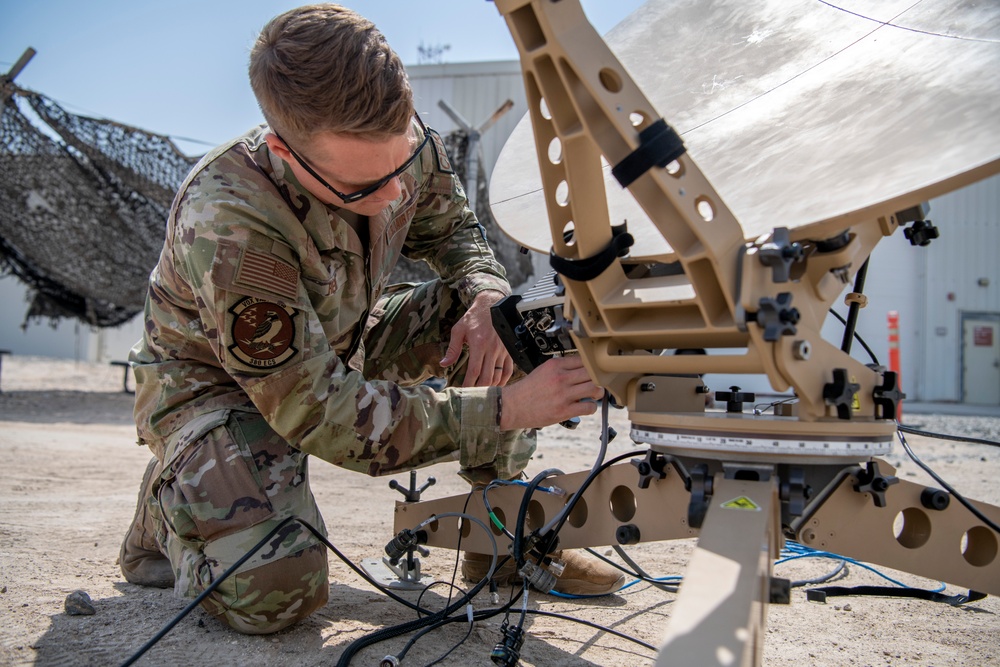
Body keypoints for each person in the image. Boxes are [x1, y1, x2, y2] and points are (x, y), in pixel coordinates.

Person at [119, 3, 625, 635]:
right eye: (362, 190)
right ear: (284, 150)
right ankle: (172, 504)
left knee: (496, 323)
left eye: (400, 167)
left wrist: (486, 294)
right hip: (218, 386)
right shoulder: (231, 222)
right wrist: (507, 410)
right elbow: (319, 413)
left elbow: (454, 231)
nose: (392, 197)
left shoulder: (396, 139)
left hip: (341, 336)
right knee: (276, 593)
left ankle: (497, 530)